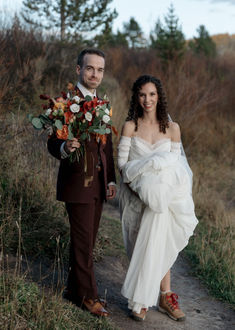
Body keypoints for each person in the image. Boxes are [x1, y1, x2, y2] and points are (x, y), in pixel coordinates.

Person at [118, 75, 198, 321]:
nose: (147, 99)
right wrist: (140, 191)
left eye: (152, 94)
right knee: (139, 245)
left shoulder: (173, 129)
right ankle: (146, 293)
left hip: (164, 199)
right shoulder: (130, 126)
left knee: (160, 241)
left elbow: (178, 168)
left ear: (159, 96)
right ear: (136, 97)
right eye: (142, 94)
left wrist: (162, 195)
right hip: (135, 195)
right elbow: (122, 165)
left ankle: (161, 297)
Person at [48, 48, 116, 317]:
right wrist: (66, 146)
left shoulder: (103, 103)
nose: (95, 74)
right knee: (83, 242)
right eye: (90, 68)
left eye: (100, 70)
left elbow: (106, 146)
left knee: (86, 241)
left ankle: (73, 291)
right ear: (79, 69)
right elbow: (53, 143)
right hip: (77, 183)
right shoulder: (65, 103)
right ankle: (89, 297)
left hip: (98, 183)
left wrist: (110, 179)